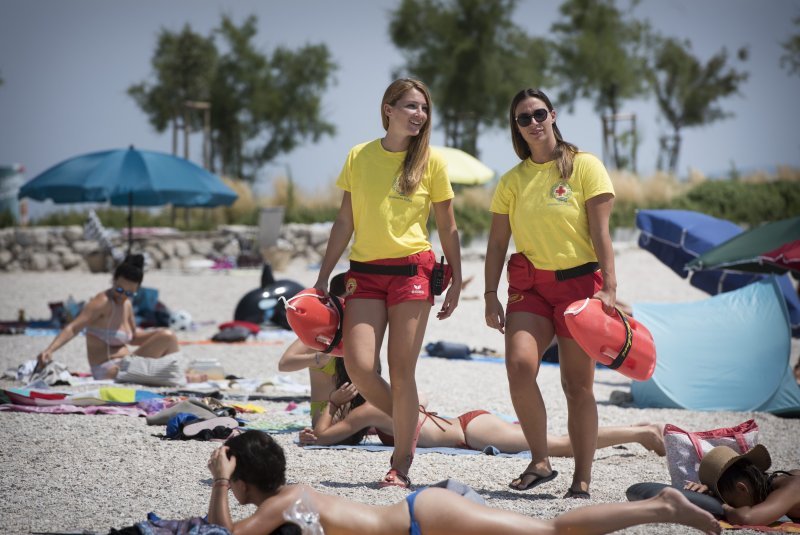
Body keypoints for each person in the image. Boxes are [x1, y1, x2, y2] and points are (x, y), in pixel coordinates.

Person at [312, 78, 462, 488]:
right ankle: (409, 421)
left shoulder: (431, 162)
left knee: (401, 370)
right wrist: (324, 275)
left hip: (413, 271)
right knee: (359, 368)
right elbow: (346, 220)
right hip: (364, 272)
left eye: (424, 109)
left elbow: (448, 229)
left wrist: (458, 279)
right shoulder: (358, 156)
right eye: (411, 107)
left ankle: (401, 464)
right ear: (388, 110)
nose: (419, 115)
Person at [484, 88, 617, 497]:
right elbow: (496, 244)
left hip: (581, 288)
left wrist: (610, 288)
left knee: (577, 386)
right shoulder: (511, 181)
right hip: (530, 287)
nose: (533, 122)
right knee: (520, 366)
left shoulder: (585, 166)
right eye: (524, 118)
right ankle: (540, 461)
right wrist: (489, 293)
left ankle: (582, 477)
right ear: (517, 128)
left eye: (539, 113)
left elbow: (600, 232)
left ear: (553, 115)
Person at [206, 430, 721, 535]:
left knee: (550, 533)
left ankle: (662, 508)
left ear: (245, 479)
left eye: (233, 481)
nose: (229, 488)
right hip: (420, 513)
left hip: (421, 519)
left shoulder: (279, 507)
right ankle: (661, 509)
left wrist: (217, 483)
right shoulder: (294, 498)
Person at [298, 378, 666, 457]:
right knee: (555, 441)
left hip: (471, 432)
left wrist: (330, 401)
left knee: (560, 447)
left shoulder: (367, 411)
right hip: (468, 425)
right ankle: (636, 431)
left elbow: (321, 437)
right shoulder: (388, 402)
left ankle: (638, 433)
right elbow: (423, 394)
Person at [35, 254, 179, 379]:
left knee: (169, 337)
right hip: (108, 370)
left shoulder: (126, 304)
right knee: (168, 352)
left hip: (126, 364)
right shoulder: (102, 301)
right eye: (120, 289)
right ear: (114, 280)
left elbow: (133, 338)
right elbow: (74, 327)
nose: (123, 296)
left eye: (129, 293)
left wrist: (157, 333)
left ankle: (177, 375)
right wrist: (50, 350)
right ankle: (179, 376)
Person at [278, 274, 350, 426]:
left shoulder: (359, 329)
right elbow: (284, 364)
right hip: (328, 415)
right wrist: (317, 359)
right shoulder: (322, 331)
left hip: (357, 413)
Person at [684, 445, 800, 525]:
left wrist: (724, 506)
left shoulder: (792, 487)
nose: (733, 507)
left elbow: (746, 518)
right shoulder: (785, 480)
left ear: (742, 488)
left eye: (732, 503)